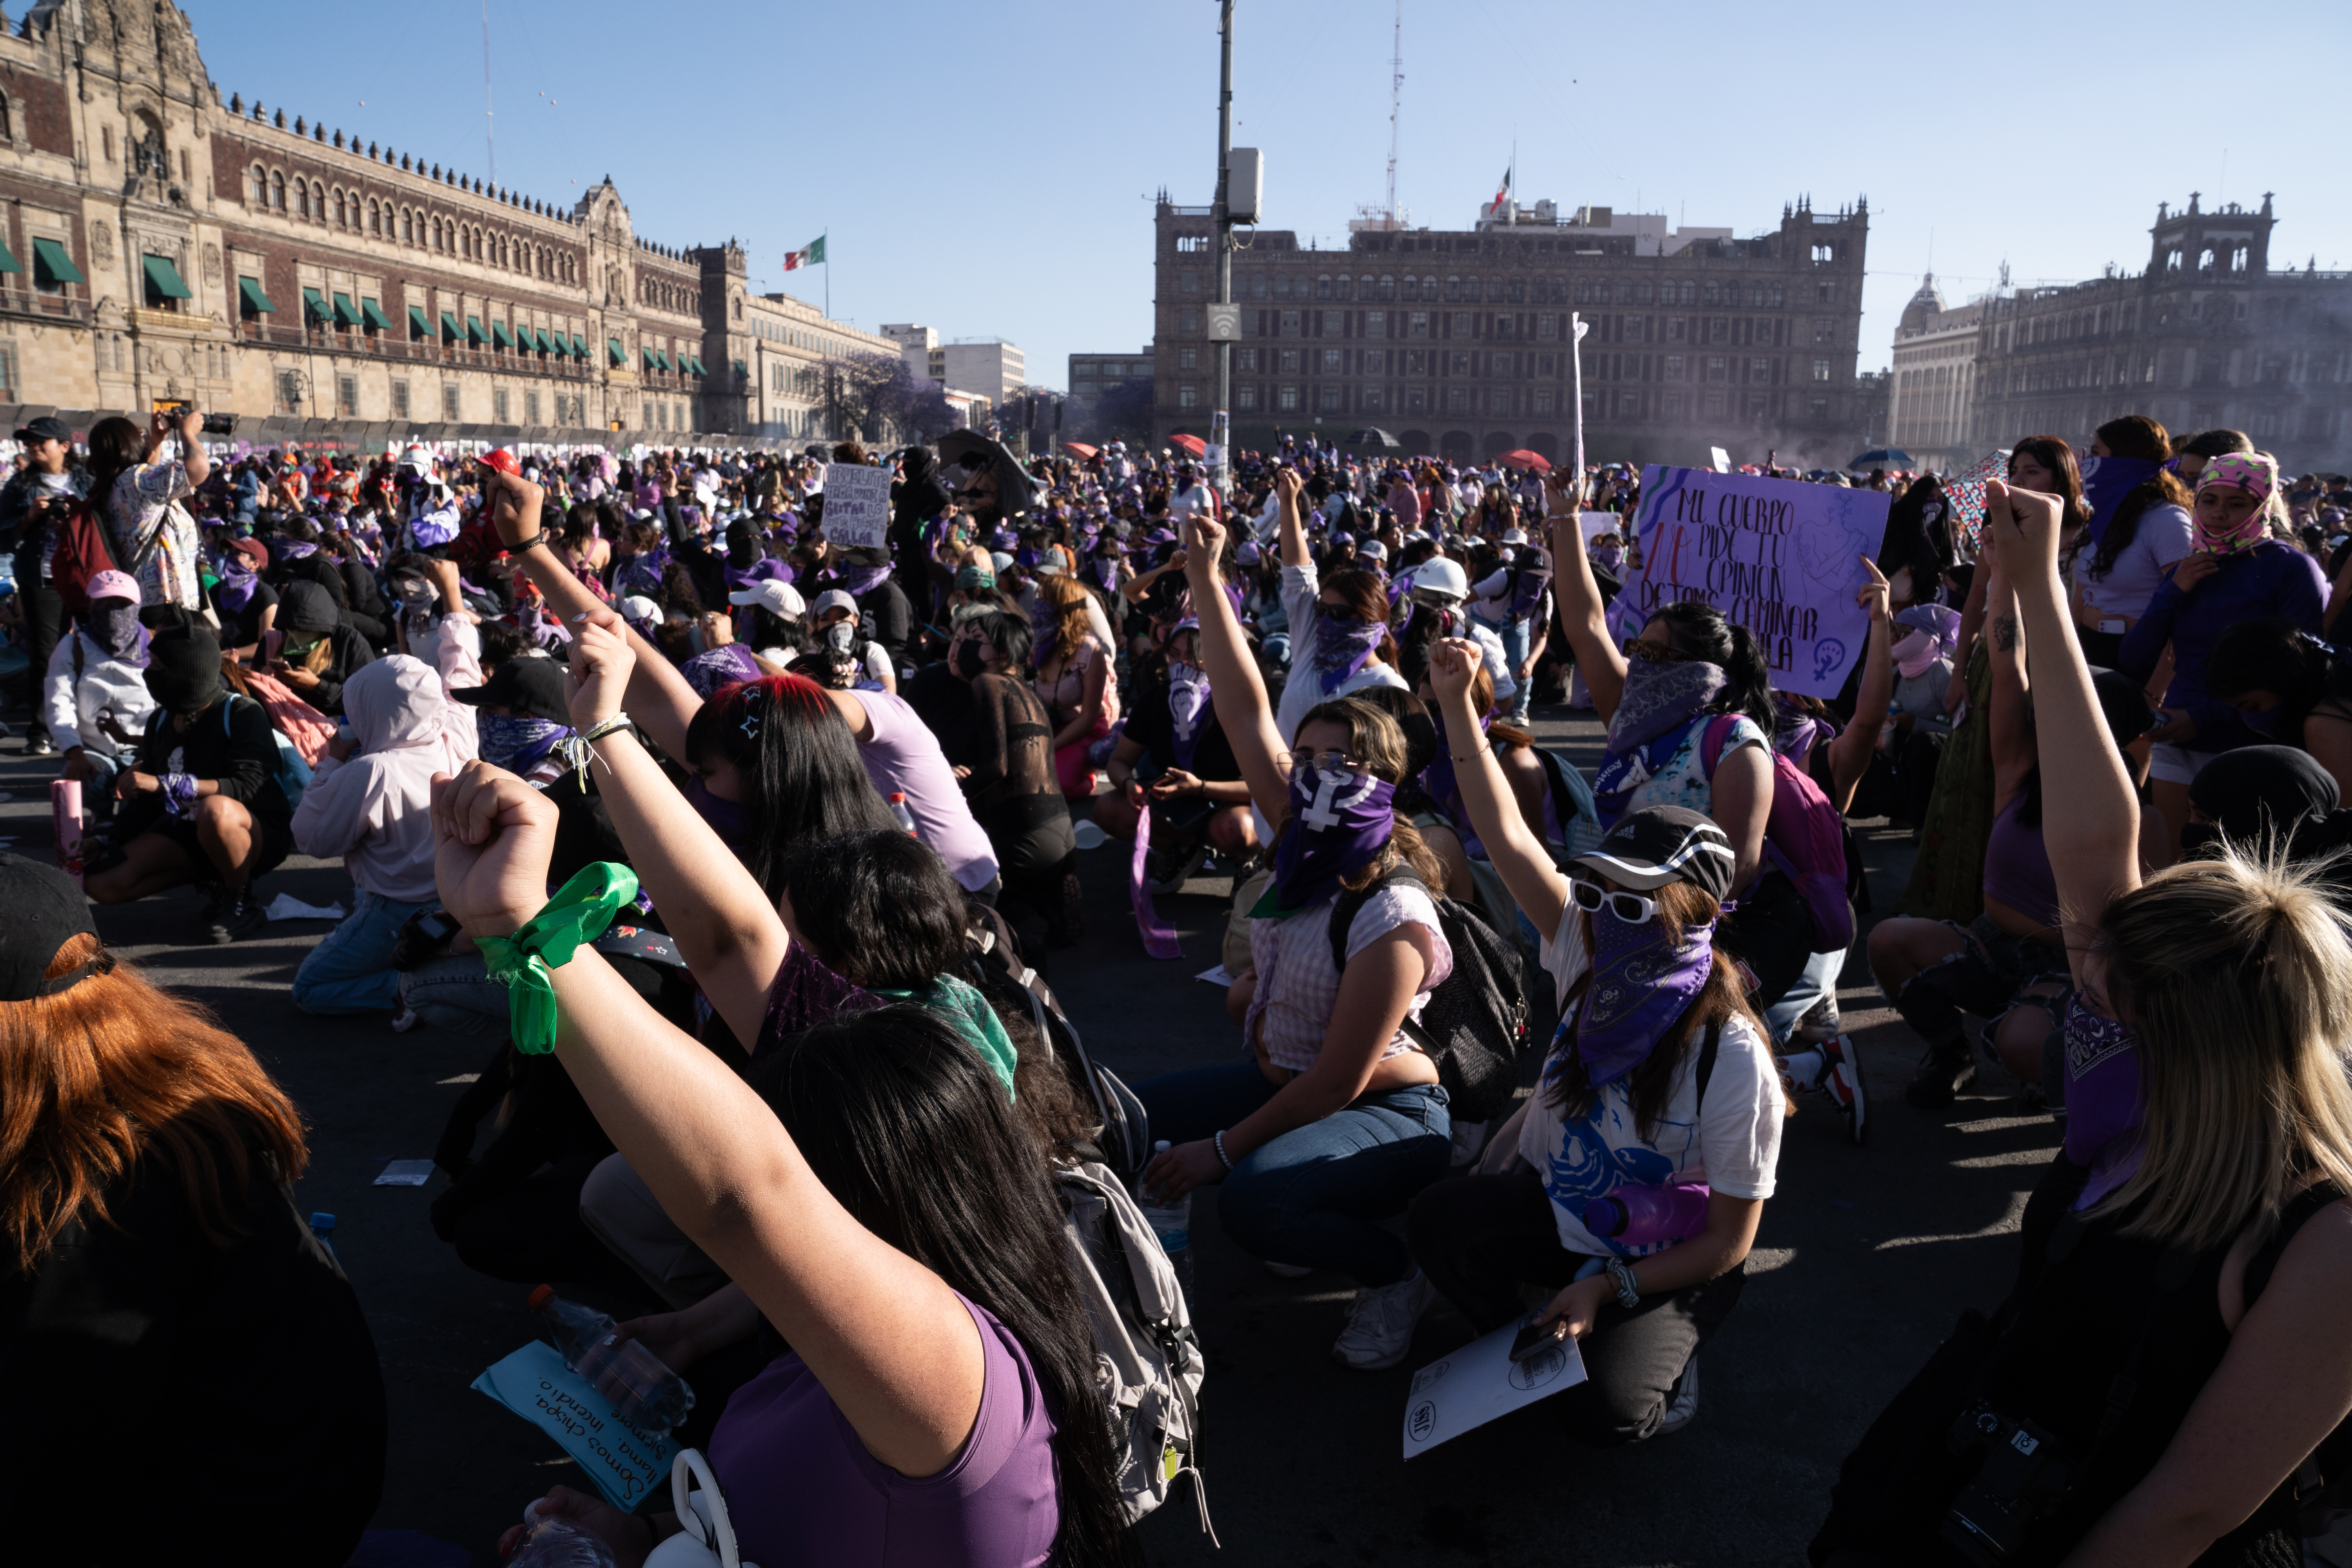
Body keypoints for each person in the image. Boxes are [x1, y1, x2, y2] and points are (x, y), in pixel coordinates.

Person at [1811, 477, 2352, 1568]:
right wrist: (2037, 587)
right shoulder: (2142, 1086)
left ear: (2200, 1030)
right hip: (1972, 1472)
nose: (2085, 986)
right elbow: (2096, 856)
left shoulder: (2325, 1241)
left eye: (2114, 990)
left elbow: (2192, 1510)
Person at [430, 766, 1138, 1566]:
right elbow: (733, 944)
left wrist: (524, 926)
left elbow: (746, 1195)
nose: (793, 1181)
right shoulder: (894, 1330)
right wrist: (642, 1536)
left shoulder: (958, 1381)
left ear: (882, 1187)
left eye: (808, 1170)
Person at [1405, 652, 1780, 1444]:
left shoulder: (1732, 1053)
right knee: (1440, 1219)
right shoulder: (1586, 946)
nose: (1607, 912)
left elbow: (1729, 1237)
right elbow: (1507, 834)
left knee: (1613, 1409)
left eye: (1637, 899)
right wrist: (1454, 703)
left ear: (1698, 913)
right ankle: (1545, 1322)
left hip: (1672, 1248)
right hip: (1567, 1208)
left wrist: (1611, 1288)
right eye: (1601, 891)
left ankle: (1661, 1349)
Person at [1134, 511, 1455, 1372]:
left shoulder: (1392, 907)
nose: (1316, 770)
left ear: (1387, 782)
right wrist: (1207, 575)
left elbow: (1340, 1077)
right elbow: (1242, 704)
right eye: (1307, 752)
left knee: (1250, 1197)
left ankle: (1397, 1271)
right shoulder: (1299, 841)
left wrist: (1224, 1150)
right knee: (1132, 1116)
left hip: (1387, 1111)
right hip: (1291, 1081)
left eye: (1344, 760)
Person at [0, 854, 386, 1559]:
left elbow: (58, 1465)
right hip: (303, 1470)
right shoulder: (159, 1076)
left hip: (230, 1519)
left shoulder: (80, 1197)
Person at [1540, 465, 1810, 1011]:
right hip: (1621, 916)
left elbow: (1736, 872)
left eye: (1657, 656)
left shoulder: (1736, 742)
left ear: (1701, 670)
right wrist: (1566, 518)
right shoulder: (1632, 715)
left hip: (1693, 937)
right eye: (1638, 649)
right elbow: (1586, 626)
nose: (1638, 663)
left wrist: (1653, 918)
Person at [2122, 451, 2325, 862]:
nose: (2219, 514)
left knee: (2237, 873)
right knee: (2173, 865)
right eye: (2209, 500)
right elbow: (2134, 658)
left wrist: (2204, 716)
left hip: (2252, 744)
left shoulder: (2292, 570)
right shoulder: (2186, 569)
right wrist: (2173, 591)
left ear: (2262, 506)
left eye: (2237, 503)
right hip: (2179, 743)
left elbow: (2302, 673)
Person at [289, 612, 482, 1016]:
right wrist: (457, 622)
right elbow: (461, 677)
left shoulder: (373, 770)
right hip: (457, 896)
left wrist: (331, 761)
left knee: (310, 987)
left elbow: (311, 838)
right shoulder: (456, 733)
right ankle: (438, 957)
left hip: (397, 907)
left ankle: (416, 987)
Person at [84, 624, 296, 943]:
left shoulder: (241, 712)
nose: (147, 672)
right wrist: (102, 840)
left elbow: (248, 785)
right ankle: (216, 874)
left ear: (185, 671)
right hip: (187, 829)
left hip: (252, 830)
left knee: (216, 811)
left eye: (156, 665)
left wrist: (168, 785)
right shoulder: (161, 720)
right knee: (102, 884)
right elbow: (146, 804)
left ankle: (240, 901)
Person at [1095, 617, 1258, 873]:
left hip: (1226, 802)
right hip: (1173, 800)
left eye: (1194, 657)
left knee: (1240, 830)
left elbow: (1264, 785)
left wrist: (1201, 788)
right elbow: (1119, 761)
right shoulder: (1156, 699)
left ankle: (1245, 862)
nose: (1183, 665)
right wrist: (1129, 784)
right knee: (1108, 808)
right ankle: (1182, 848)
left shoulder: (1239, 704)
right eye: (1174, 654)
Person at [1270, 468, 1407, 747]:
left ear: (1370, 619)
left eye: (1340, 614)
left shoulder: (1389, 688)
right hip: (1276, 788)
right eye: (1323, 611)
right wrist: (1288, 503)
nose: (1327, 621)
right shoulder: (1311, 645)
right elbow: (1298, 575)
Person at [2072, 415, 2193, 670]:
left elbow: (2183, 606)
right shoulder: (2109, 516)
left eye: (2096, 453)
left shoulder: (2167, 519)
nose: (2088, 463)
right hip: (2088, 646)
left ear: (2124, 462)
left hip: (2134, 655)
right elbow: (2086, 592)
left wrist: (2157, 688)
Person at [1, 415, 85, 755]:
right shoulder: (20, 486)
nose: (33, 447)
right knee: (46, 654)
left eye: (41, 441)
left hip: (83, 577)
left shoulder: (88, 480)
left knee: (90, 649)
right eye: (29, 442)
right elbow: (4, 537)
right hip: (41, 580)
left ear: (64, 446)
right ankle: (41, 729)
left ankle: (85, 721)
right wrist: (29, 518)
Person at [2203, 615, 2352, 804]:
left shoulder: (2326, 722)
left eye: (2251, 706)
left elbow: (2346, 821)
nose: (2251, 719)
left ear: (2282, 679)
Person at [86, 406, 211, 621]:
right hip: (169, 602)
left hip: (148, 600)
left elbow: (151, 499)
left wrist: (157, 442)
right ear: (128, 443)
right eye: (139, 434)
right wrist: (187, 431)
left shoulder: (116, 485)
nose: (143, 437)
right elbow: (199, 468)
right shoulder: (137, 479)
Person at [45, 569, 155, 810]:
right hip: (95, 750)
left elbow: (170, 707)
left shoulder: (157, 647)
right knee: (78, 783)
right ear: (89, 604)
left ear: (137, 606)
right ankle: (99, 822)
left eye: (121, 604)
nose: (113, 611)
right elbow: (59, 703)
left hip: (146, 750)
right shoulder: (73, 646)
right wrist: (75, 754)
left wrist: (156, 755)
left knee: (142, 804)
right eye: (103, 603)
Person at [1031, 570, 1118, 800]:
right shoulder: (1039, 644)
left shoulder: (1090, 651)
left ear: (1063, 607)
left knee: (1057, 787)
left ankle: (1088, 776)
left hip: (1083, 730)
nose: (1039, 605)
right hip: (1049, 727)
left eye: (1046, 600)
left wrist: (1050, 746)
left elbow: (1089, 717)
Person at [209, 535, 279, 657]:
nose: (231, 556)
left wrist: (225, 655)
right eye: (230, 552)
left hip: (248, 666)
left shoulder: (264, 595)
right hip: (215, 661)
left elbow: (268, 646)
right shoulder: (216, 591)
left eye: (238, 553)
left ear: (255, 564)